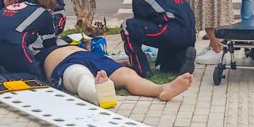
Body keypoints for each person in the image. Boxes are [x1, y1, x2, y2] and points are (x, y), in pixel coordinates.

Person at [36, 45, 193, 105]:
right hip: (64, 64)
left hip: (92, 57)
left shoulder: (65, 41)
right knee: (81, 76)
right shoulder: (37, 54)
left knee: (127, 74)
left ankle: (162, 89)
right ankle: (98, 95)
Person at [120, 0, 196, 78]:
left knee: (127, 27)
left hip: (173, 32)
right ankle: (183, 56)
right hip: (189, 34)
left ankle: (141, 69)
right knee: (163, 66)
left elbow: (140, 26)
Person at [0, 0, 57, 83]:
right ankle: (4, 79)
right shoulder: (45, 14)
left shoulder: (21, 5)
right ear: (50, 9)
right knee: (36, 76)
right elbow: (50, 44)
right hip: (9, 40)